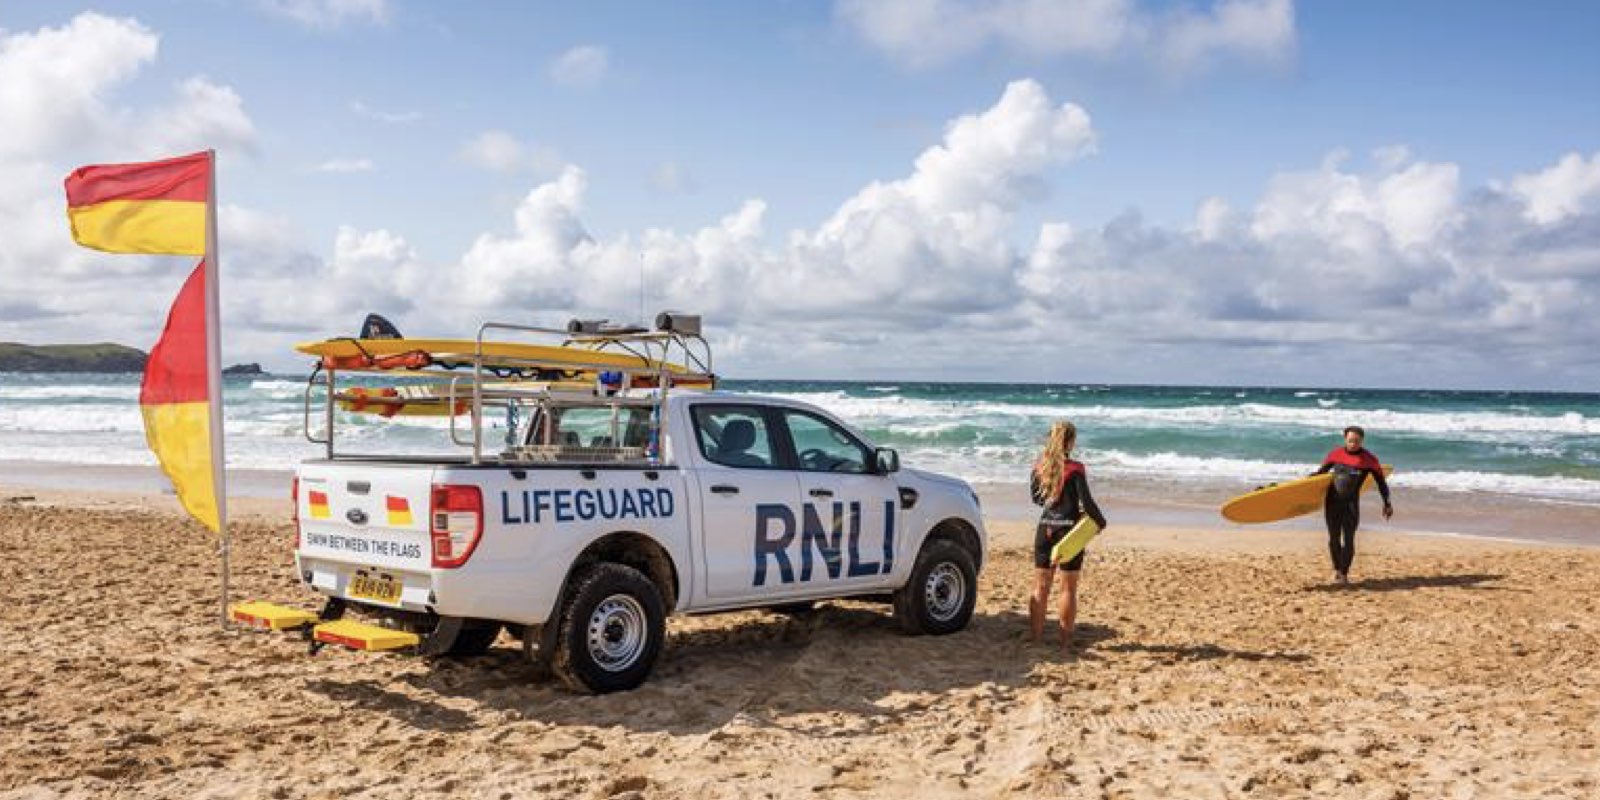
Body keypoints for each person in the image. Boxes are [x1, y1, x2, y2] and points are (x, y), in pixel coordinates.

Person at [1029, 421, 1108, 651]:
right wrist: (1100, 522)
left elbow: (1037, 499)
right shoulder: (1075, 468)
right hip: (1069, 532)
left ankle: (1036, 639)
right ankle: (1064, 642)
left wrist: (1054, 501)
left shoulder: (1039, 467)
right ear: (1070, 441)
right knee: (1068, 588)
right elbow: (1088, 502)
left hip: (1045, 529)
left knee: (1041, 587)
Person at [1314, 425, 1393, 585]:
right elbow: (1319, 474)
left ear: (1362, 441)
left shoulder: (1369, 460)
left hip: (1350, 504)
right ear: (1345, 439)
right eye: (1350, 441)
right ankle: (1337, 571)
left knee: (1349, 540)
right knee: (1333, 539)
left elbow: (1381, 482)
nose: (1353, 444)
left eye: (1356, 441)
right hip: (1332, 503)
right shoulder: (1335, 454)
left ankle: (1344, 574)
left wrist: (1387, 503)